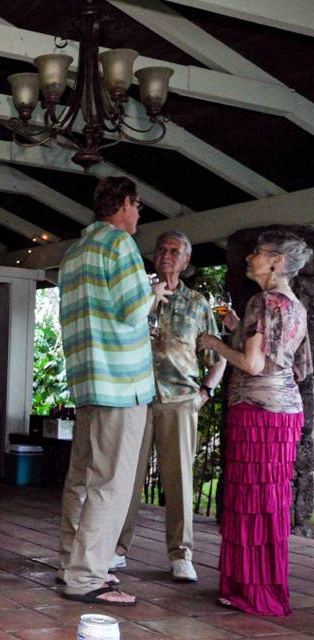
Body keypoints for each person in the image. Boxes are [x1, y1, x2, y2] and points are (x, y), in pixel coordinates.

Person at [56, 176, 169, 606]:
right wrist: (153, 291)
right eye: (137, 205)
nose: (139, 213)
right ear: (123, 203)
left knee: (81, 481)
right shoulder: (119, 245)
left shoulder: (73, 253)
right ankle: (88, 577)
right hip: (121, 383)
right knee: (112, 484)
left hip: (87, 382)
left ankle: (71, 565)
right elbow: (130, 309)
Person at [197, 231, 313, 617]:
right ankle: (254, 585)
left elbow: (252, 364)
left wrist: (215, 344)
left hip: (258, 411)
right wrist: (237, 328)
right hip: (284, 413)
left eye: (258, 253)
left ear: (277, 261)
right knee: (268, 502)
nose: (249, 258)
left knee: (252, 499)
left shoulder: (264, 301)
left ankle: (253, 590)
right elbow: (295, 364)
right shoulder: (294, 305)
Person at [115, 231, 227, 583]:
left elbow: (217, 354)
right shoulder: (139, 293)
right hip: (137, 396)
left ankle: (181, 554)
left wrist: (205, 392)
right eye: (161, 249)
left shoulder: (197, 302)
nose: (166, 255)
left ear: (186, 261)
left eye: (174, 251)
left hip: (179, 399)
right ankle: (117, 548)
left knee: (179, 479)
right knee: (126, 479)